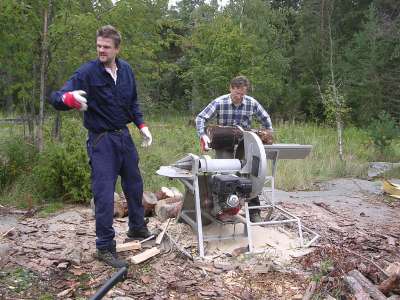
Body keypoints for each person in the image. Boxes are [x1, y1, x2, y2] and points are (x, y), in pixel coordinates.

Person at [50, 25, 152, 268]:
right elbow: (57, 97)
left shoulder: (126, 70)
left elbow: (133, 102)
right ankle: (105, 246)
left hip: (124, 137)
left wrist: (142, 125)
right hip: (101, 140)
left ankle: (137, 228)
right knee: (104, 194)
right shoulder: (87, 72)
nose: (101, 50)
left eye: (106, 47)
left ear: (117, 48)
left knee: (134, 184)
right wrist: (68, 99)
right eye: (99, 46)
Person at [195, 75, 273, 222]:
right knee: (226, 176)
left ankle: (254, 212)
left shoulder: (251, 103)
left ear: (246, 91)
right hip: (224, 142)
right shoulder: (219, 102)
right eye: (237, 93)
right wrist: (202, 135)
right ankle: (224, 211)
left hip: (245, 143)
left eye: (242, 94)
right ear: (230, 88)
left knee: (252, 176)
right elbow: (201, 118)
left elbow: (265, 118)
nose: (239, 97)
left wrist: (268, 133)